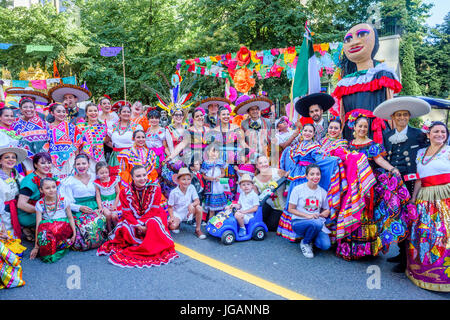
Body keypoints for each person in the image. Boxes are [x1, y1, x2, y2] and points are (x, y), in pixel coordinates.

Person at [337, 115, 411, 261]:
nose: (363, 129)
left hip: (368, 186)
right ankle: (352, 248)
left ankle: (366, 250)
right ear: (354, 127)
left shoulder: (372, 145)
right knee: (352, 212)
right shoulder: (349, 145)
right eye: (360, 126)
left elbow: (379, 160)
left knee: (365, 214)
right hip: (352, 185)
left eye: (365, 126)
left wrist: (392, 169)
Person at [374, 96, 431, 272]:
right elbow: (381, 157)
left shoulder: (418, 134)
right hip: (392, 183)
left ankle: (407, 258)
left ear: (409, 117)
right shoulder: (386, 135)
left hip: (411, 182)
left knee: (410, 217)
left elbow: (428, 153)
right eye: (398, 115)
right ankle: (400, 252)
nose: (401, 118)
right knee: (396, 217)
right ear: (393, 117)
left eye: (405, 115)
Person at [97, 165, 179, 268]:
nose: (142, 178)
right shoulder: (124, 192)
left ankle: (149, 245)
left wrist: (142, 223)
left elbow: (153, 210)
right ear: (133, 177)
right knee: (126, 228)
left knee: (153, 223)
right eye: (138, 176)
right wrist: (138, 225)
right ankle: (140, 241)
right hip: (134, 219)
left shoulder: (155, 188)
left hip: (152, 215)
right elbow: (127, 213)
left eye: (144, 175)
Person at [333, 23, 402, 143]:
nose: (354, 42)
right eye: (348, 39)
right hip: (351, 132)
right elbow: (342, 114)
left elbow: (391, 109)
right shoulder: (345, 82)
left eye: (362, 34)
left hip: (377, 131)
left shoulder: (382, 74)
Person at [278, 123, 340, 242]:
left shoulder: (315, 147)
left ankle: (307, 230)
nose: (307, 133)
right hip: (296, 176)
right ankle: (294, 232)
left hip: (306, 177)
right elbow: (293, 159)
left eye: (310, 131)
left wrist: (333, 160)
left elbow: (320, 160)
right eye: (305, 130)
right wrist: (288, 171)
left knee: (305, 201)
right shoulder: (298, 146)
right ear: (301, 132)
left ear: (313, 134)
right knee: (294, 201)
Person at [407, 121, 450, 292]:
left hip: (445, 196)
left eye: (443, 132)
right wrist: (413, 198)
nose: (440, 134)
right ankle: (424, 274)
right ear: (428, 134)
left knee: (443, 234)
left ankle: (445, 277)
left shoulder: (449, 151)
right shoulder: (420, 153)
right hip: (424, 197)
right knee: (424, 234)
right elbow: (419, 178)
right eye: (436, 131)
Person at [61, 154, 107, 251]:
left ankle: (107, 238)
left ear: (89, 164)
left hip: (96, 205)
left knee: (101, 219)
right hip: (79, 209)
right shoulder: (69, 181)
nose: (81, 166)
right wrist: (79, 208)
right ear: (74, 166)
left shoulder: (95, 177)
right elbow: (66, 202)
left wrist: (102, 206)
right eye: (78, 164)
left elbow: (105, 191)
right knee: (87, 226)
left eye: (84, 163)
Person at [288, 164, 331, 258]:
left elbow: (326, 209)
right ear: (306, 176)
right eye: (312, 174)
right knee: (316, 223)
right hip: (299, 222)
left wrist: (326, 212)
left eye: (318, 174)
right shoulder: (298, 189)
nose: (315, 177)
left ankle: (311, 237)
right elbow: (290, 209)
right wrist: (307, 216)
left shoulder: (323, 192)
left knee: (325, 245)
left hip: (317, 222)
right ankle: (305, 242)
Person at [30, 178, 76, 263]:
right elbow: (39, 225)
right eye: (47, 188)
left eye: (53, 187)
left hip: (63, 228)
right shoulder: (39, 204)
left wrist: (74, 234)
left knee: (55, 231)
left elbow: (70, 217)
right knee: (47, 238)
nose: (51, 190)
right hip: (49, 230)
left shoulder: (64, 200)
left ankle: (60, 244)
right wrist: (36, 246)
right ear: (41, 190)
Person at [207, 105, 247, 201]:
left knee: (232, 181)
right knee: (221, 182)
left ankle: (232, 203)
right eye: (223, 114)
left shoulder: (237, 128)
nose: (226, 116)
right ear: (219, 116)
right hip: (220, 160)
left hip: (233, 160)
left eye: (228, 114)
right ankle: (223, 203)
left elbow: (242, 143)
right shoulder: (214, 131)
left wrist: (253, 153)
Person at [17, 152, 53, 241]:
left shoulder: (48, 177)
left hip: (42, 209)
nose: (47, 165)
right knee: (56, 221)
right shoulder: (29, 180)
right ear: (36, 165)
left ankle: (31, 229)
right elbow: (21, 204)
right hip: (28, 213)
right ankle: (28, 227)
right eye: (43, 163)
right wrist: (43, 211)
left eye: (49, 162)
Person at [167, 167, 206, 239]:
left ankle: (198, 230)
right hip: (178, 213)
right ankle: (177, 224)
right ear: (178, 181)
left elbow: (197, 201)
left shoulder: (191, 187)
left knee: (199, 208)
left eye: (188, 179)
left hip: (189, 212)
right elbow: (170, 207)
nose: (186, 182)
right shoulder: (174, 192)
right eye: (183, 179)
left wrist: (192, 204)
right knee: (172, 226)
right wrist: (172, 217)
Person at [12, 98, 49, 172]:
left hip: (42, 158)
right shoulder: (15, 125)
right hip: (24, 158)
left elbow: (48, 140)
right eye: (25, 107)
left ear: (35, 109)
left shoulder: (43, 124)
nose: (28, 109)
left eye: (31, 107)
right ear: (21, 109)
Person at [0, 141, 28, 240]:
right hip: (2, 214)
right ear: (0, 161)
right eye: (7, 157)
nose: (11, 159)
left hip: (15, 210)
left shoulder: (18, 176)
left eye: (13, 157)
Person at [46, 104, 82, 179]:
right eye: (58, 111)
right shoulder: (48, 128)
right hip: (53, 159)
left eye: (63, 112)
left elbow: (76, 144)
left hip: (70, 158)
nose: (62, 114)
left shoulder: (71, 127)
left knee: (71, 180)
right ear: (52, 113)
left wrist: (77, 159)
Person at [253, 155, 288, 232]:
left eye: (265, 162)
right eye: (260, 163)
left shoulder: (278, 172)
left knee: (271, 227)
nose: (263, 164)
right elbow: (255, 197)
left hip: (280, 207)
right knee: (258, 220)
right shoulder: (255, 179)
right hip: (268, 205)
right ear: (257, 166)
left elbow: (289, 177)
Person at [108, 103, 143, 173]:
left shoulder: (136, 127)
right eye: (124, 111)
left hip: (131, 156)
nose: (126, 113)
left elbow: (141, 142)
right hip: (116, 157)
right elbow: (106, 140)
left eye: (128, 112)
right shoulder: (113, 126)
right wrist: (116, 149)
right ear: (119, 114)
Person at [235, 96, 273, 160]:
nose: (255, 111)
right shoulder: (244, 123)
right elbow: (242, 140)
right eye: (252, 109)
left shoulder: (268, 122)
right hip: (251, 155)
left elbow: (272, 137)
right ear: (248, 112)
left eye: (257, 109)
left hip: (266, 154)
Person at [76, 103, 108, 174]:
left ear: (98, 112)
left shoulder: (103, 126)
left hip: (100, 156)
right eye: (90, 111)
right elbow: (77, 144)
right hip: (85, 157)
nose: (93, 113)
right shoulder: (80, 126)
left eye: (95, 111)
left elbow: (107, 140)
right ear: (86, 113)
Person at [201, 143, 228, 219]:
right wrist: (210, 178)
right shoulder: (206, 163)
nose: (214, 153)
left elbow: (223, 173)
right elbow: (203, 175)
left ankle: (220, 223)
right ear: (208, 152)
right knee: (211, 209)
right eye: (212, 151)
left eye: (216, 151)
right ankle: (210, 223)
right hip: (211, 187)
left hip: (219, 186)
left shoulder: (220, 162)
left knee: (221, 208)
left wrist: (219, 177)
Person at [94, 161, 121, 234]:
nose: (104, 175)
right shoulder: (97, 183)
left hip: (114, 202)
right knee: (108, 214)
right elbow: (98, 196)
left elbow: (118, 192)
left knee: (114, 215)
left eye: (106, 172)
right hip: (105, 204)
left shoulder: (114, 180)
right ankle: (109, 230)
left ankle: (117, 230)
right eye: (101, 173)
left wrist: (115, 204)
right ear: (97, 173)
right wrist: (100, 207)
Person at [145, 108, 167, 173]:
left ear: (159, 119)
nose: (154, 120)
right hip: (148, 154)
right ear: (148, 119)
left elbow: (165, 145)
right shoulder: (147, 130)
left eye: (156, 118)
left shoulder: (163, 130)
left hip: (159, 155)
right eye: (152, 118)